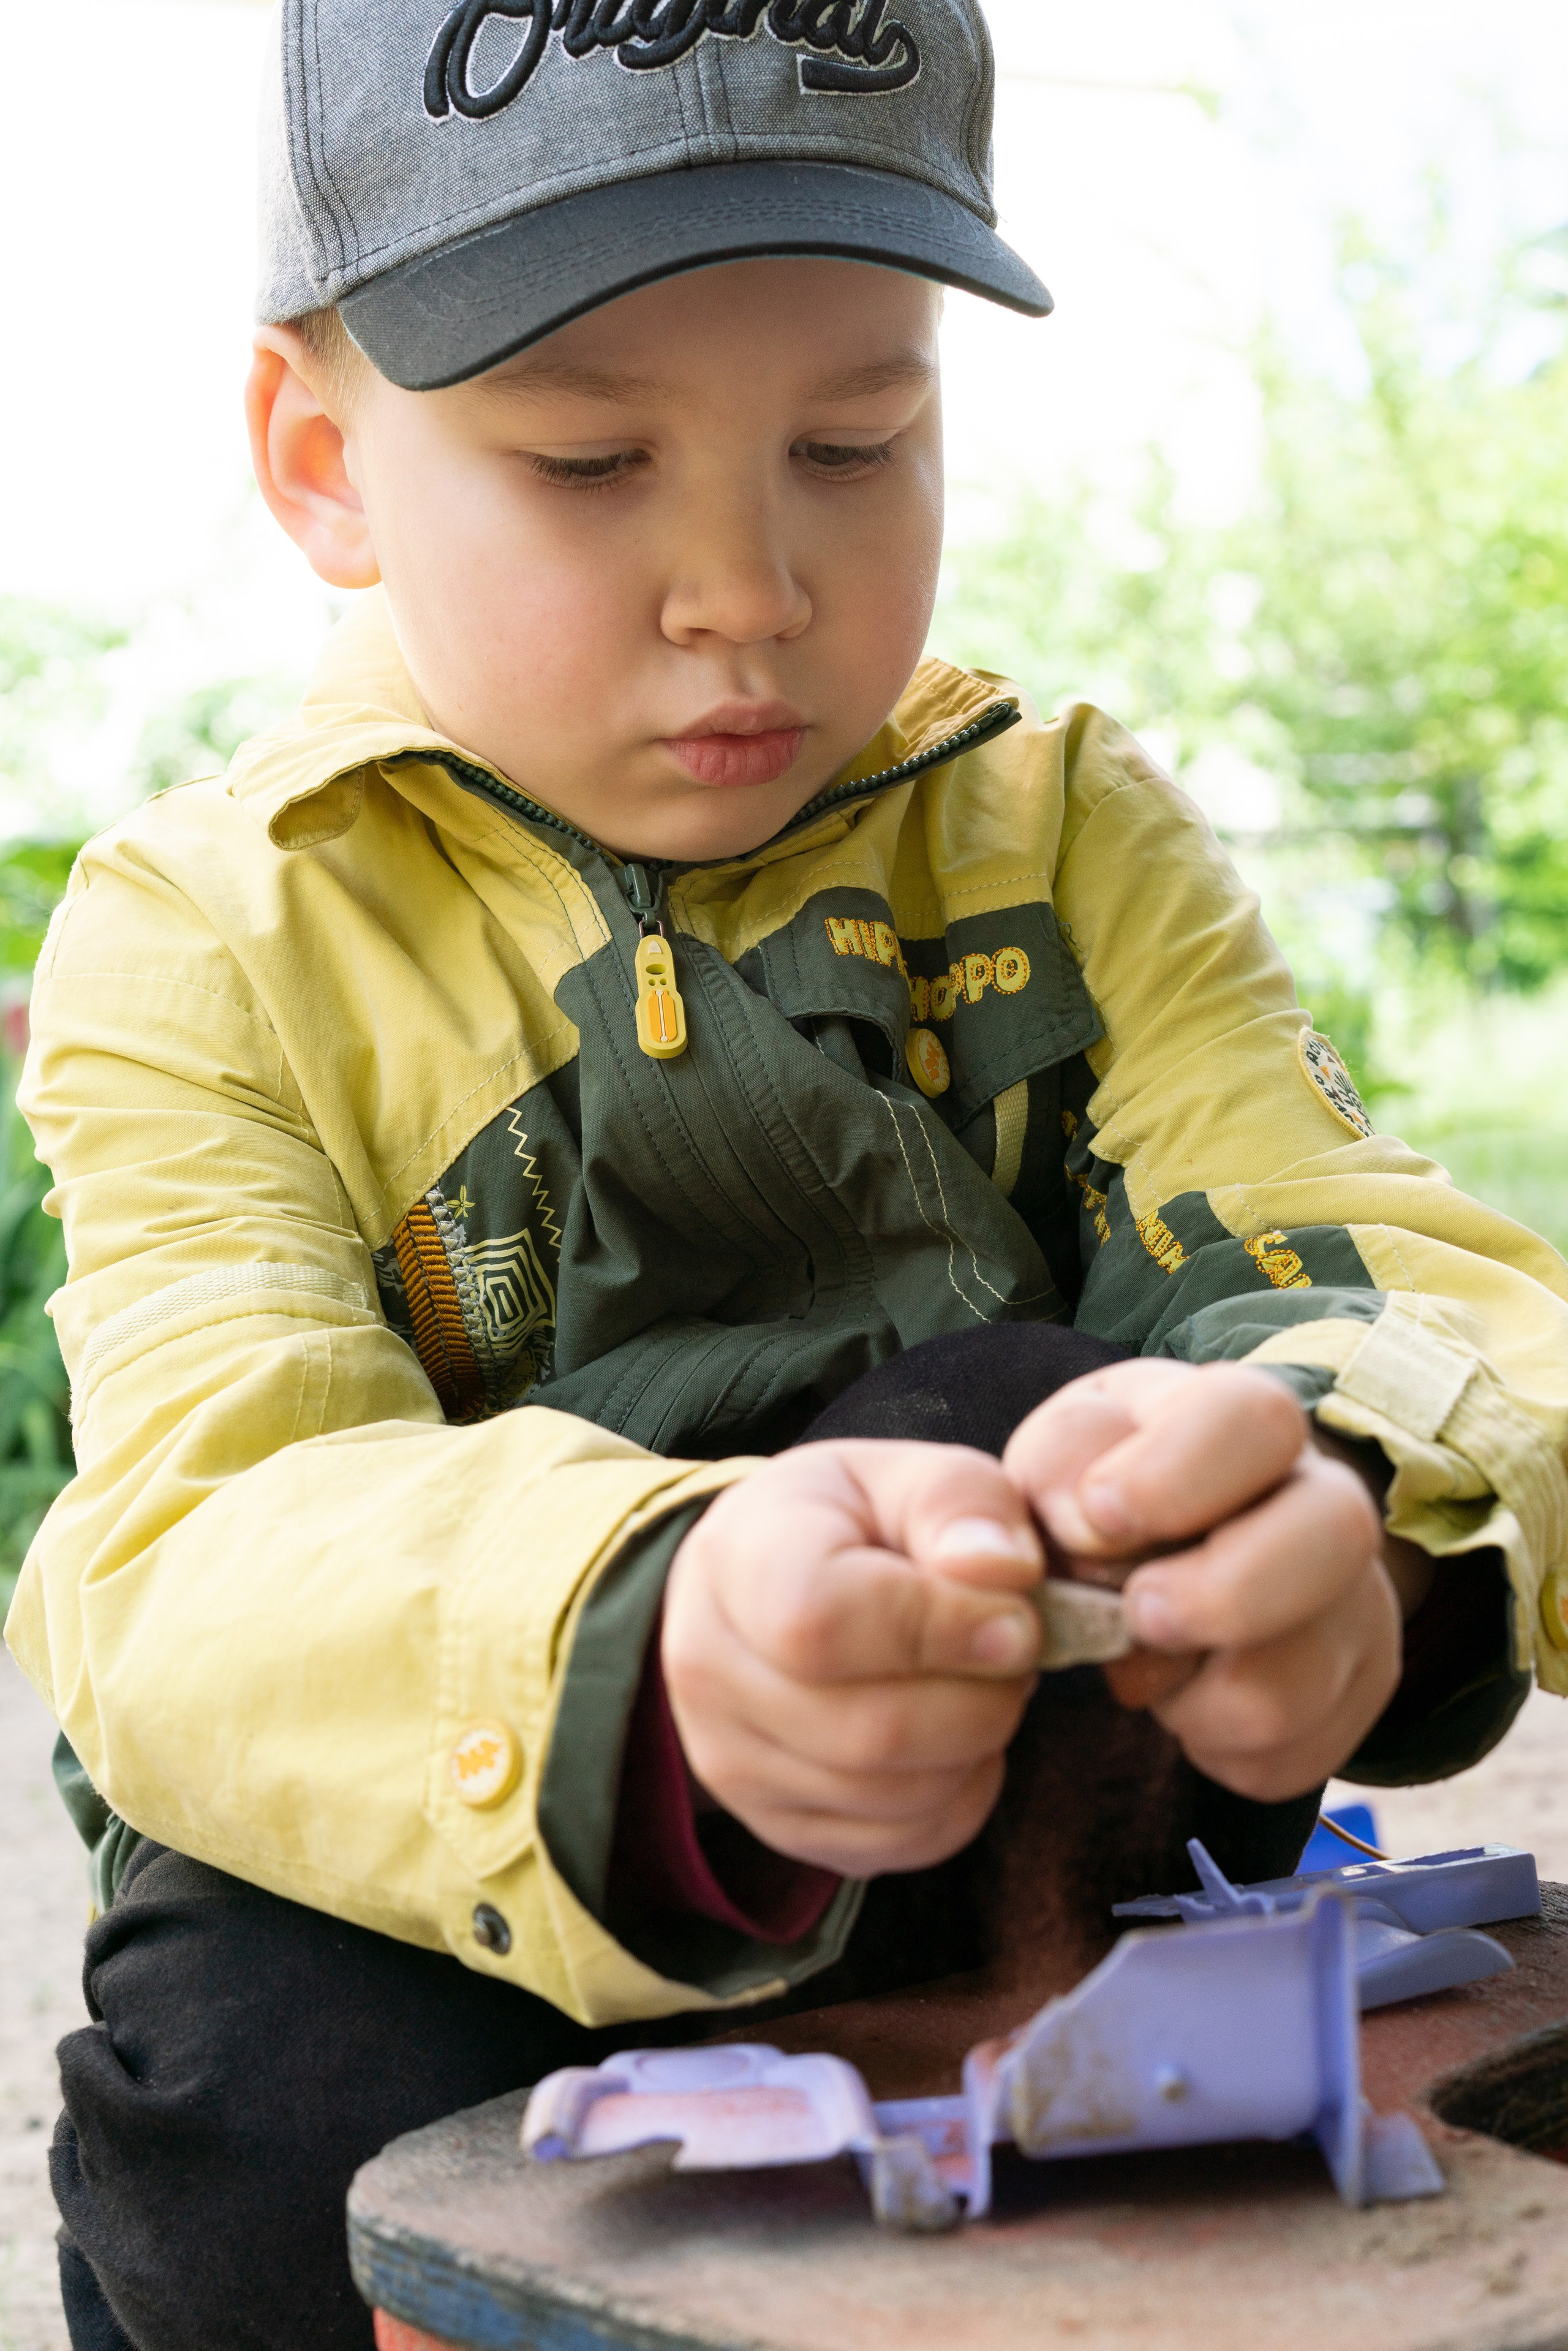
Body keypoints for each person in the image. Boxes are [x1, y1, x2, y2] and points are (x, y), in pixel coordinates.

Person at [7, 5, 1566, 2346]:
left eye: (859, 436)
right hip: (457, 1860)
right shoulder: (204, 929)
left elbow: (1384, 1256)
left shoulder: (1062, 827)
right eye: (588, 458)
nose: (745, 586)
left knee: (1011, 1409)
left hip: (1032, 1812)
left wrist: (1356, 1515)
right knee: (242, 2122)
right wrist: (661, 1650)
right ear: (319, 458)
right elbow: (201, 1541)